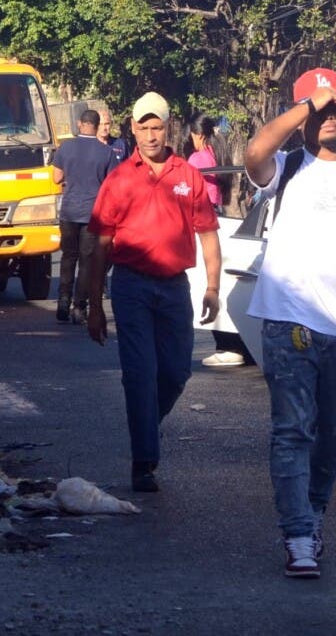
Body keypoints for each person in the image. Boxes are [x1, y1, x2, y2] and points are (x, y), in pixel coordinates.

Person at [243, 67, 336, 579]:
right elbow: (253, 153)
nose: (330, 115)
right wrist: (312, 101)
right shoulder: (285, 167)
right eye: (320, 108)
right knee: (293, 430)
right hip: (288, 322)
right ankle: (298, 535)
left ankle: (310, 516)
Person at [86, 92, 221, 493]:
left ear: (168, 128)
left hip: (174, 287)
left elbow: (209, 235)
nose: (150, 135)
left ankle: (145, 426)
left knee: (177, 372)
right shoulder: (119, 177)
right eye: (143, 127)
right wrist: (94, 306)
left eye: (157, 127)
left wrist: (213, 286)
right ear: (132, 129)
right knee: (141, 372)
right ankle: (144, 461)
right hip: (130, 286)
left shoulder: (187, 174)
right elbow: (101, 246)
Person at [184, 115, 249, 367]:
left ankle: (226, 345)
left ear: (196, 135)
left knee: (204, 285)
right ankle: (234, 342)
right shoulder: (219, 155)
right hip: (218, 217)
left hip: (200, 221)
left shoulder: (196, 159)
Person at [51, 109, 117, 324]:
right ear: (97, 126)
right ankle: (80, 306)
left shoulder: (66, 147)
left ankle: (63, 299)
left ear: (80, 123)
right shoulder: (106, 152)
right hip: (92, 213)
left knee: (68, 257)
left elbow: (56, 178)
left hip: (69, 211)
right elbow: (112, 185)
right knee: (87, 261)